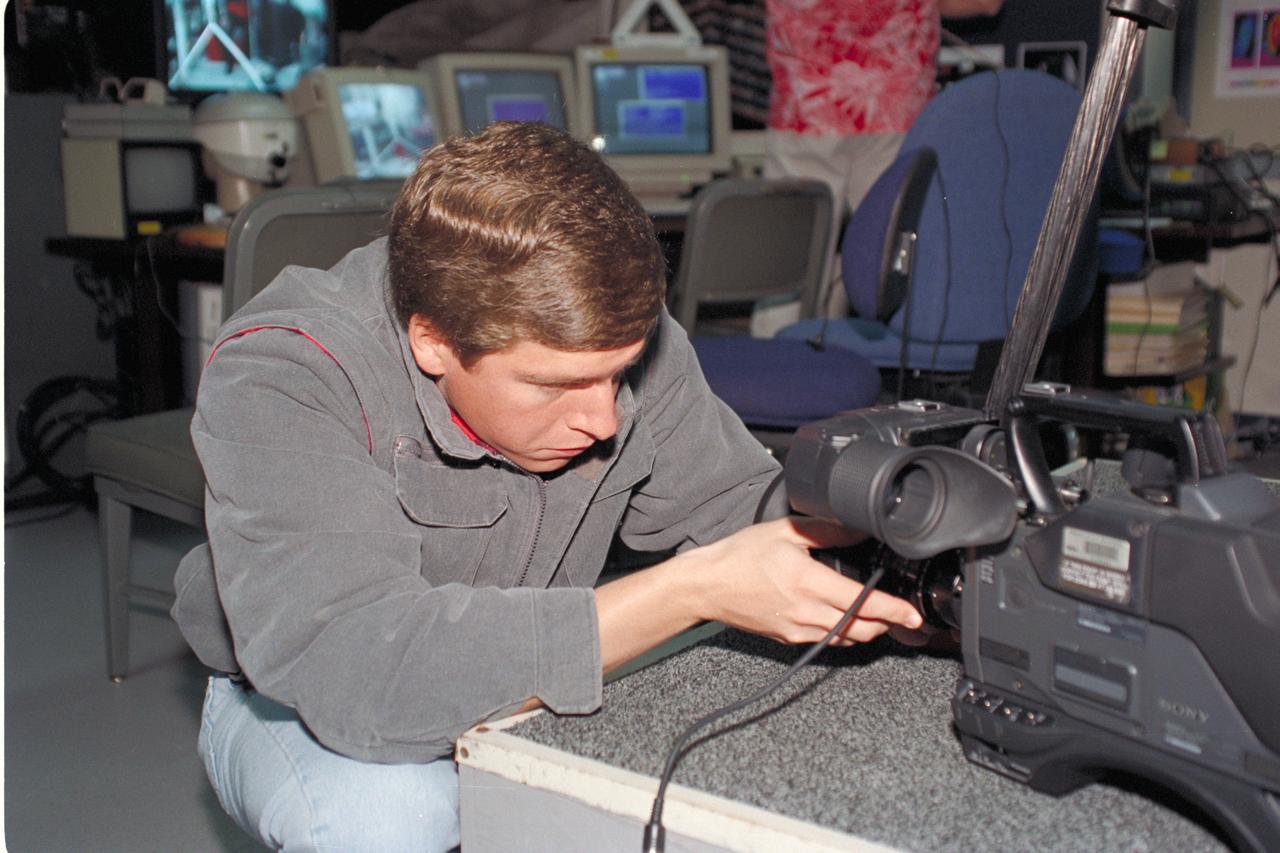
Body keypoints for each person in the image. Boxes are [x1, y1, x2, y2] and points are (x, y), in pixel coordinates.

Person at [171, 121, 923, 851]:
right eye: (552, 387)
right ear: (432, 339)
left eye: (618, 375)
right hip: (297, 695)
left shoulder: (599, 333)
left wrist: (883, 530)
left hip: (516, 675)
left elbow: (736, 506)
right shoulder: (286, 370)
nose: (603, 417)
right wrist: (686, 590)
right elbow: (361, 669)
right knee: (386, 817)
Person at [763, 0, 1004, 319]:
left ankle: (786, 358)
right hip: (894, 111)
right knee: (890, 265)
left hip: (806, 111)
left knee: (791, 268)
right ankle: (879, 359)